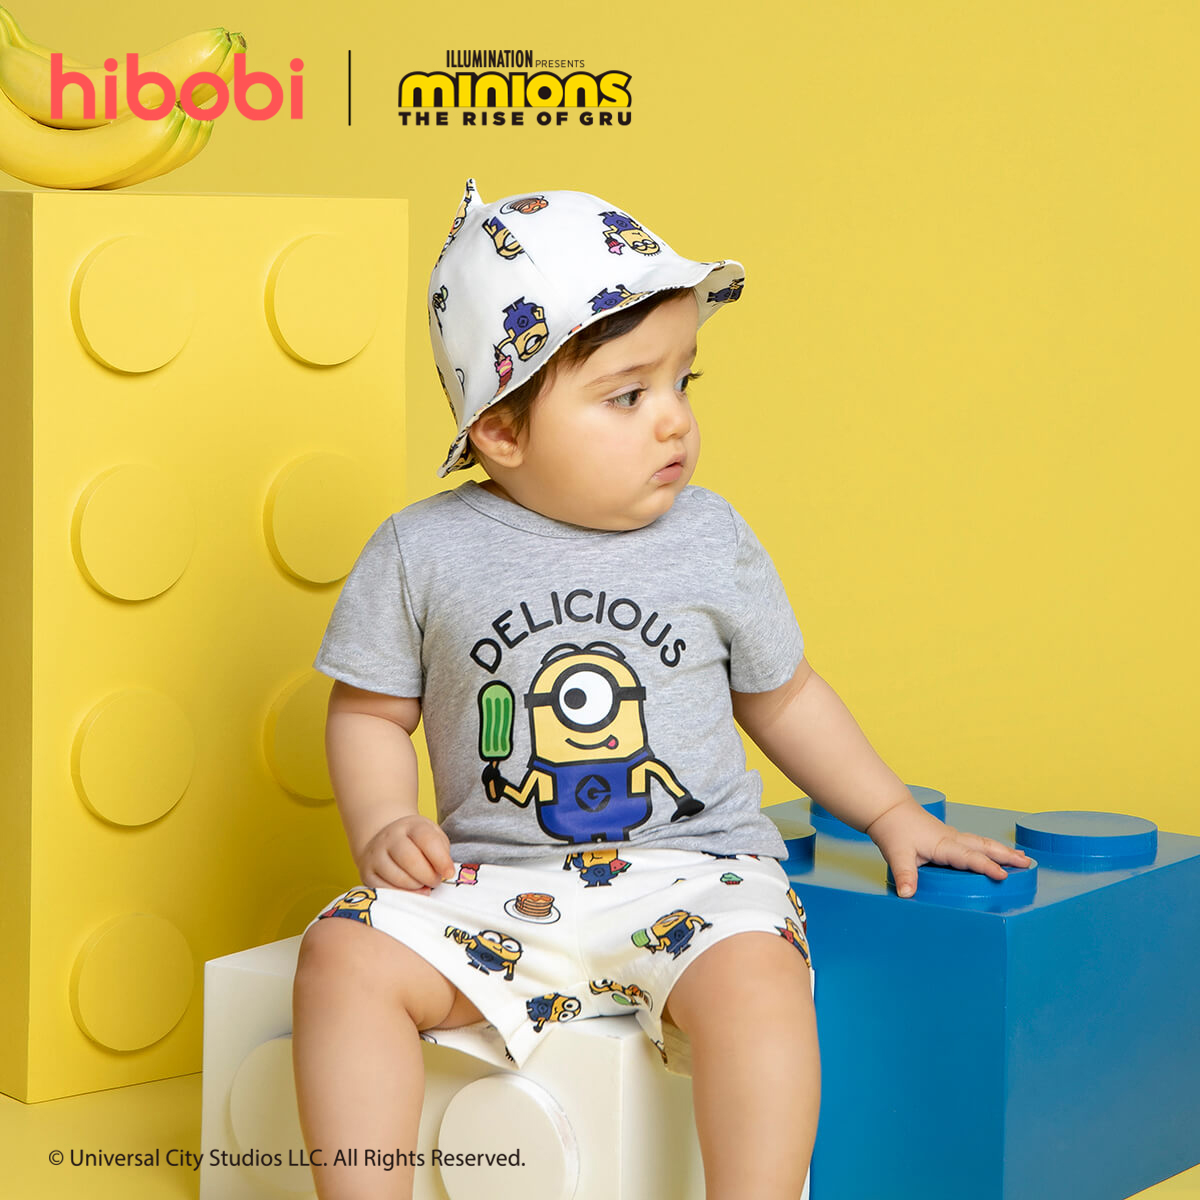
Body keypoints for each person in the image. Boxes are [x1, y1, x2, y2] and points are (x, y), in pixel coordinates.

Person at [291, 180, 1032, 1200]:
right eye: (627, 396)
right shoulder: (421, 551)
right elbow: (372, 710)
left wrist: (892, 813)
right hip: (494, 888)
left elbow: (784, 696)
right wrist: (383, 821)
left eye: (685, 380)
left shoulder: (710, 537)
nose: (675, 420)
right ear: (501, 430)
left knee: (761, 981)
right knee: (343, 958)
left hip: (694, 878)